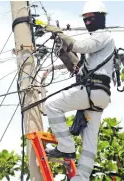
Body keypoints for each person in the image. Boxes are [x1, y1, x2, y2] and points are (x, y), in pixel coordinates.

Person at [43, 1, 115, 180]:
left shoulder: (103, 35)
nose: (88, 22)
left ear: (100, 17)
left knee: (51, 105)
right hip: (100, 96)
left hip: (92, 90)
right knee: (90, 142)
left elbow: (80, 46)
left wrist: (58, 33)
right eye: (85, 19)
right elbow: (80, 62)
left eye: (90, 18)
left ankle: (66, 147)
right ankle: (81, 178)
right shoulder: (100, 48)